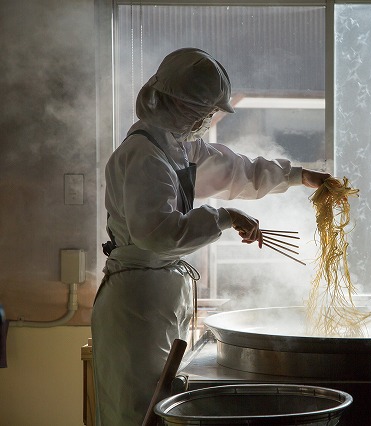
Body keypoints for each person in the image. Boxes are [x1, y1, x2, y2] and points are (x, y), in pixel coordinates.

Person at [91, 47, 330, 425]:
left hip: (157, 296)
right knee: (136, 413)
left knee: (159, 408)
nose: (207, 120)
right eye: (203, 111)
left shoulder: (177, 147)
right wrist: (222, 217)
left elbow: (236, 171)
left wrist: (298, 175)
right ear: (177, 103)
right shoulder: (144, 155)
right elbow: (157, 233)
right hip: (136, 305)